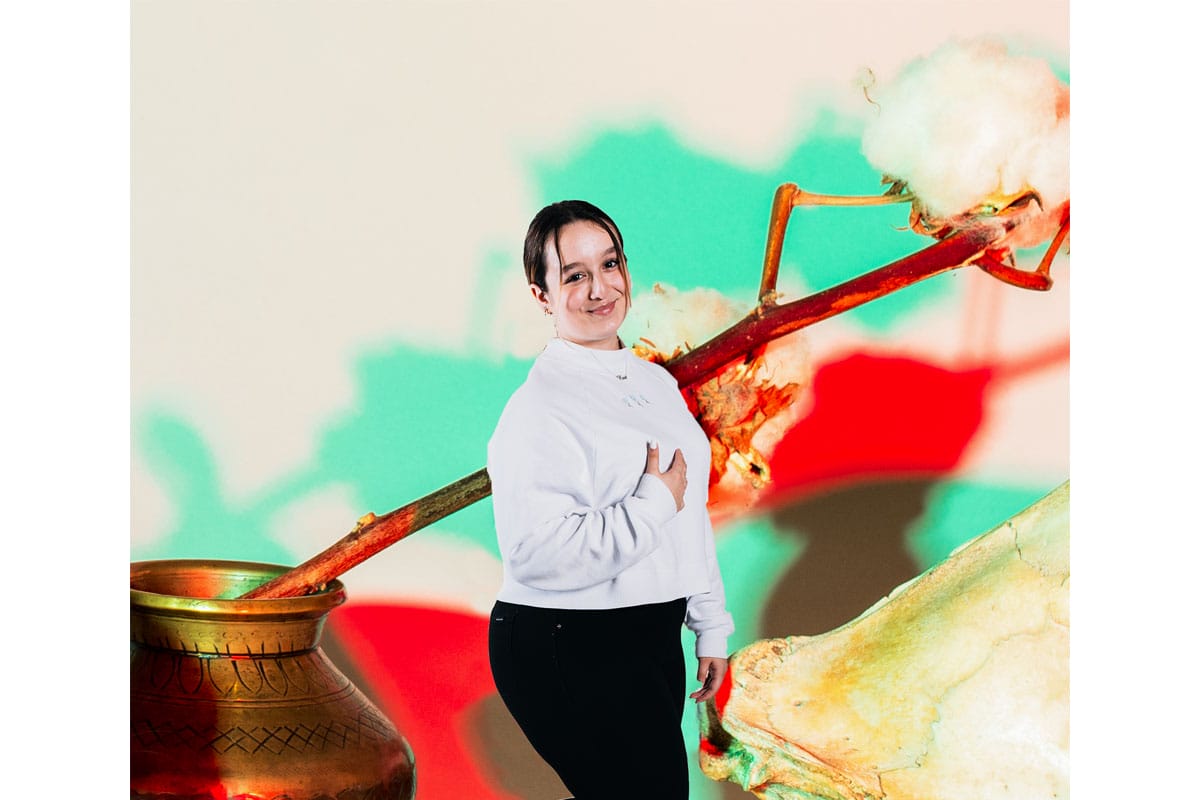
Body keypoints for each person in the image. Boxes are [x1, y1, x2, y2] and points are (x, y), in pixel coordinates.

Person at [487, 200, 734, 800]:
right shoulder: (538, 407)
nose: (600, 289)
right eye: (574, 275)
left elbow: (689, 511)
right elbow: (535, 553)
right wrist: (651, 503)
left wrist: (709, 625)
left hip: (646, 634)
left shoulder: (654, 382)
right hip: (564, 641)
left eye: (610, 264)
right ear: (542, 294)